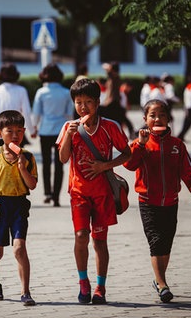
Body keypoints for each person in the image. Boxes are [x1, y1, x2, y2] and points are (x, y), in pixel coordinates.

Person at [56, 78, 132, 304]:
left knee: (100, 241)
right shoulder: (69, 127)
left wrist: (104, 166)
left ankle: (100, 287)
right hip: (78, 192)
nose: (83, 107)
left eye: (88, 102)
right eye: (78, 103)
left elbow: (127, 153)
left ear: (98, 103)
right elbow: (63, 158)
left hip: (103, 193)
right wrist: (69, 135)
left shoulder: (110, 127)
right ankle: (83, 282)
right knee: (81, 236)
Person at [123, 99, 191, 303]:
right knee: (156, 242)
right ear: (145, 119)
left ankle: (159, 280)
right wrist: (140, 145)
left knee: (166, 243)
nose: (157, 119)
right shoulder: (139, 143)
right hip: (147, 202)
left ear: (169, 118)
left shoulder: (177, 145)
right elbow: (129, 165)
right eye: (152, 115)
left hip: (170, 202)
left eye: (161, 115)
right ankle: (162, 283)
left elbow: (187, 169)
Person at [0, 109, 38, 306]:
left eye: (19, 131)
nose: (15, 135)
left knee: (19, 249)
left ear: (24, 132)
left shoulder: (27, 156)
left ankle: (25, 291)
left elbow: (32, 185)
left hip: (19, 205)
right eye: (9, 131)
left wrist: (22, 167)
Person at [31, 63, 74, 207]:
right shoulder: (66, 92)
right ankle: (56, 196)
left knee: (46, 163)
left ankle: (47, 193)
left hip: (45, 130)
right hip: (61, 131)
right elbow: (69, 114)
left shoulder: (41, 92)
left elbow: (36, 113)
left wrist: (33, 128)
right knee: (59, 164)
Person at [0, 63, 37, 147]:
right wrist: (32, 131)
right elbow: (26, 112)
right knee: (18, 158)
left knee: (0, 158)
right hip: (17, 131)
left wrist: (1, 119)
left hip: (1, 131)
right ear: (16, 74)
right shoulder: (21, 90)